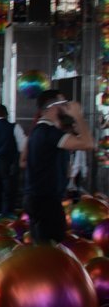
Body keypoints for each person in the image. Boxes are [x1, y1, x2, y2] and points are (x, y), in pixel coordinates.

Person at [22, 90, 94, 243]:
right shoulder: (49, 132)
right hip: (46, 200)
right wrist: (78, 116)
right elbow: (88, 143)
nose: (67, 107)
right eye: (63, 104)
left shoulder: (38, 130)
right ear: (52, 107)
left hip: (37, 197)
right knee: (51, 249)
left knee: (43, 246)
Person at [0, 104, 26, 216]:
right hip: (10, 164)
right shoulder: (14, 127)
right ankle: (7, 218)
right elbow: (23, 145)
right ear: (7, 114)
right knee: (9, 192)